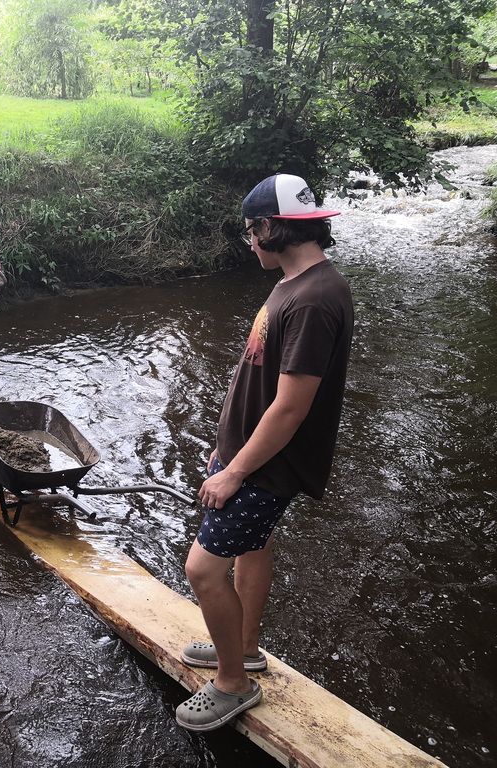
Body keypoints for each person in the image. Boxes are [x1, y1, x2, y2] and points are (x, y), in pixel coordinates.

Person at [177, 173, 354, 731]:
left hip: (264, 466)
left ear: (270, 228)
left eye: (250, 231)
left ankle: (233, 683)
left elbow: (291, 408)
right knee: (254, 547)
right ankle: (245, 648)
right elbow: (260, 379)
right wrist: (225, 444)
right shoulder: (297, 281)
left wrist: (235, 471)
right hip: (246, 452)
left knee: (203, 571)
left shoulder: (314, 300)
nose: (249, 242)